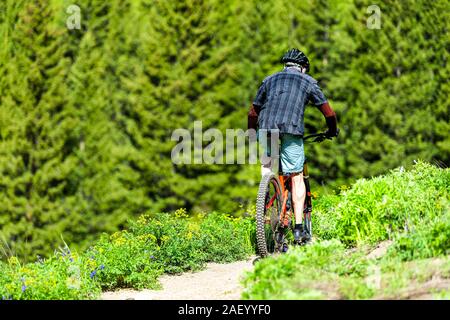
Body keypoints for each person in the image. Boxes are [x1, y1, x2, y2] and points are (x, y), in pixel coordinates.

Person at [248, 48, 338, 243]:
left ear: (285, 65)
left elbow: (253, 112)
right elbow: (329, 113)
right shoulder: (308, 81)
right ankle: (298, 229)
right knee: (297, 176)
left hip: (266, 127)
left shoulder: (269, 80)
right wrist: (332, 131)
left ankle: (265, 194)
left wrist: (252, 133)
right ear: (303, 68)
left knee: (268, 165)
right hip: (291, 128)